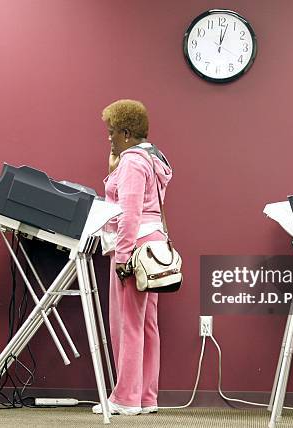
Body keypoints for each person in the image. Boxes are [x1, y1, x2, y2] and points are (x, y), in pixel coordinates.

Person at [93, 99, 173, 416]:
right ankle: (146, 397)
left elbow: (128, 214)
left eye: (112, 132)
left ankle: (125, 398)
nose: (109, 138)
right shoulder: (153, 159)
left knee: (127, 325)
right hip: (153, 246)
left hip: (135, 246)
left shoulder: (132, 163)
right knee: (146, 325)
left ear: (126, 132)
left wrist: (123, 257)